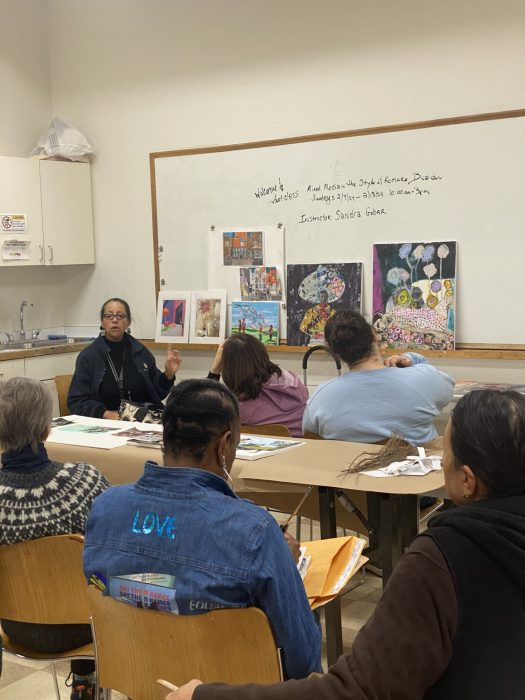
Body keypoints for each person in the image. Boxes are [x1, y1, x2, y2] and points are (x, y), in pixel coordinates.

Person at [165, 388, 525, 700]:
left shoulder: (439, 561)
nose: (439, 462)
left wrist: (207, 695)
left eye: (444, 453)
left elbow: (358, 690)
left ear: (467, 481)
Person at [83, 379, 321, 680]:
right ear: (224, 445)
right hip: (227, 688)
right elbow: (302, 662)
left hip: (139, 680)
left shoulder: (105, 508)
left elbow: (111, 593)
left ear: (163, 440)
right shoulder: (255, 531)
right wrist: (285, 565)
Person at [0, 377, 109, 700]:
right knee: (98, 576)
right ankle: (85, 680)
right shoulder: (88, 482)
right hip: (84, 624)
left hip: (14, 623)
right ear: (47, 430)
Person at [302, 310, 454, 443]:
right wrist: (411, 358)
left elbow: (310, 435)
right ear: (374, 334)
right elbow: (448, 385)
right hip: (414, 473)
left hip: (348, 473)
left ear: (333, 351)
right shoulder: (422, 379)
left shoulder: (321, 397)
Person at [68, 297, 181, 419]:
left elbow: (157, 394)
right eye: (109, 316)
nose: (114, 320)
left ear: (128, 322)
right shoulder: (88, 356)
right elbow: (76, 401)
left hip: (140, 420)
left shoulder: (140, 352)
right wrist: (105, 414)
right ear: (102, 322)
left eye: (120, 316)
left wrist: (168, 375)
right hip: (104, 422)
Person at [208, 334, 308, 437]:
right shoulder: (293, 381)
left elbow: (201, 418)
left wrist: (214, 372)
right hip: (305, 448)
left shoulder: (236, 406)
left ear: (229, 368)